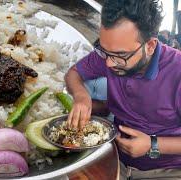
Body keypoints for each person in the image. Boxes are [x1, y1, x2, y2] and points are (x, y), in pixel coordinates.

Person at [65, 0, 181, 179]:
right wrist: (82, 96)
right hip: (112, 154)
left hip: (165, 169)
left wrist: (152, 145)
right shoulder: (110, 54)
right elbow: (74, 73)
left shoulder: (177, 72)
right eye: (104, 51)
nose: (109, 64)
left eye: (120, 56)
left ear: (150, 46)